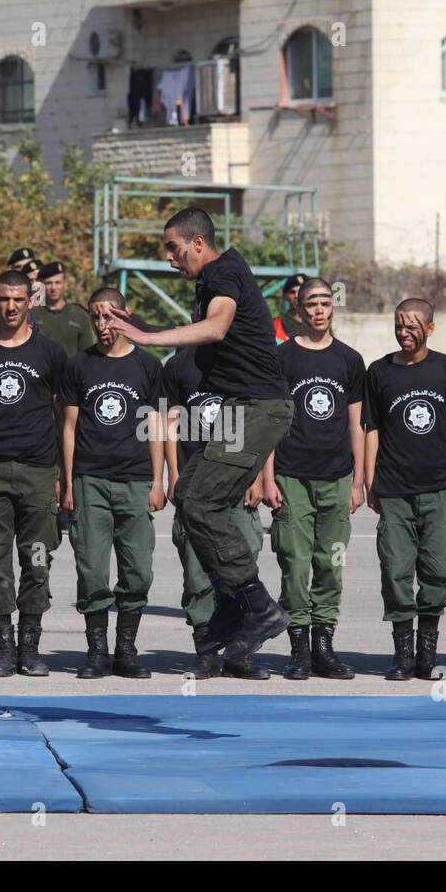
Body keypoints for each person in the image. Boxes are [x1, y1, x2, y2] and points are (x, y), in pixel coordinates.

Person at [106, 207, 295, 667]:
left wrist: (148, 340)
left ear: (196, 242)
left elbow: (217, 326)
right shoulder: (210, 278)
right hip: (240, 409)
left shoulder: (222, 271)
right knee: (190, 497)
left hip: (259, 408)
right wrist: (145, 329)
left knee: (202, 502)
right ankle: (233, 608)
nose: (170, 258)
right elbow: (206, 335)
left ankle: (257, 606)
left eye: (173, 248)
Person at [0, 269, 67, 676]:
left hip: (39, 471)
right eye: (4, 299)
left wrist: (62, 476)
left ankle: (31, 647)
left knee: (37, 560)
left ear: (30, 301)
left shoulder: (51, 354)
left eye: (19, 299)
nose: (11, 306)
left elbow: (63, 418)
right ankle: (2, 646)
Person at [60, 288, 166, 678]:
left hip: (136, 480)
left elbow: (157, 426)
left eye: (109, 317)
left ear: (126, 315)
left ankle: (126, 649)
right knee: (91, 568)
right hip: (89, 480)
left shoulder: (149, 366)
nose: (103, 326)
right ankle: (97, 651)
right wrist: (69, 482)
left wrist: (158, 480)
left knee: (138, 569)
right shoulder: (78, 366)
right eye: (95, 317)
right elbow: (68, 428)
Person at [265, 276, 366, 680]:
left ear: (333, 307)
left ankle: (324, 646)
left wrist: (358, 481)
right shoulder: (282, 358)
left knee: (331, 562)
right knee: (294, 563)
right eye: (311, 304)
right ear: (298, 310)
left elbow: (357, 422)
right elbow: (270, 422)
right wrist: (266, 477)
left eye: (325, 303)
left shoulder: (349, 360)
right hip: (291, 476)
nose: (319, 310)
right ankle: (299, 650)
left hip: (337, 476)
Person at [365, 298, 446, 680]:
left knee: (438, 569)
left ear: (430, 329)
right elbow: (371, 429)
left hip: (438, 485)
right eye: (399, 326)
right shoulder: (379, 371)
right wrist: (369, 480)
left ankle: (427, 651)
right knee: (396, 569)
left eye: (413, 326)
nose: (405, 333)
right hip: (393, 487)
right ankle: (403, 652)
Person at [163, 347, 270, 679]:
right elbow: (169, 421)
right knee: (197, 571)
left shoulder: (242, 360)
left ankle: (240, 652)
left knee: (242, 560)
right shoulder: (179, 365)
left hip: (236, 478)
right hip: (196, 482)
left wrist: (261, 476)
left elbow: (262, 425)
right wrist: (172, 474)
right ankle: (206, 650)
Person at [30, 261, 91, 356]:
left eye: (58, 282)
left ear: (65, 283)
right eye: (49, 283)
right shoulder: (32, 315)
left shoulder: (79, 315)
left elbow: (87, 355)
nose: (53, 287)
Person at [276, 273, 307, 342]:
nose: (296, 296)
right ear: (285, 296)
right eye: (292, 292)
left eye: (301, 291)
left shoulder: (319, 322)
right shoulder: (276, 325)